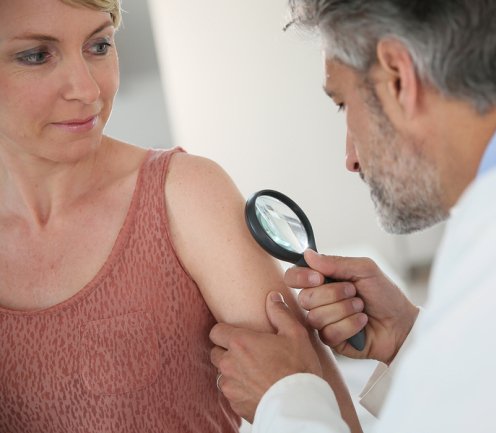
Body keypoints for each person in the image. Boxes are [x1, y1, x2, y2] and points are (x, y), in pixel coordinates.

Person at [209, 0, 496, 432]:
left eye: (344, 104)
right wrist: (409, 340)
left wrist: (285, 399)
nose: (350, 158)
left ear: (399, 78)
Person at [0, 1, 362, 432]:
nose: (87, 89)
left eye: (99, 45)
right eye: (37, 56)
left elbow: (327, 414)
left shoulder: (186, 196)